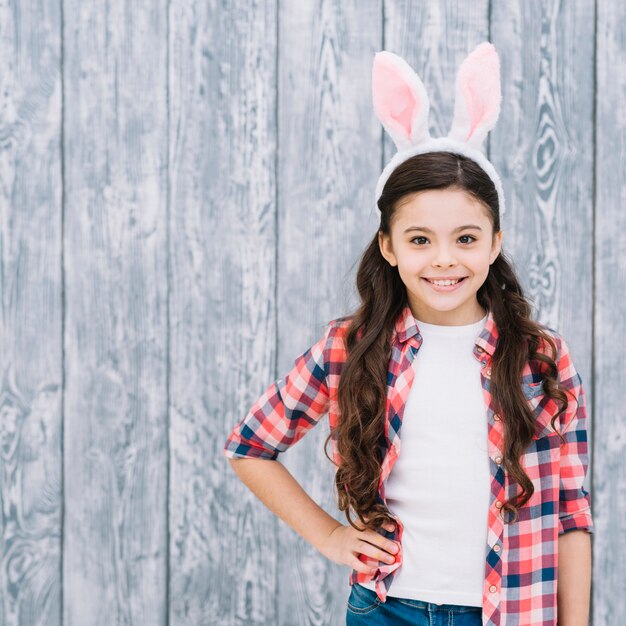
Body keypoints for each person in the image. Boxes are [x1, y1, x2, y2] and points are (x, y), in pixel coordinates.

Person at [223, 42, 594, 626]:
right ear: (389, 247)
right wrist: (329, 536)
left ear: (495, 243)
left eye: (466, 238)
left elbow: (571, 515)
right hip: (386, 610)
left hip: (512, 612)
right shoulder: (350, 347)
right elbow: (250, 447)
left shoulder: (541, 358)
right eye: (420, 239)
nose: (444, 260)